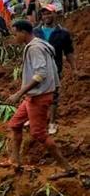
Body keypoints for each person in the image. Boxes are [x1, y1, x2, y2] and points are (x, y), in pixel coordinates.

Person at [6, 20, 77, 179]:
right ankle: (14, 160)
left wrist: (19, 93)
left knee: (39, 134)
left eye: (15, 33)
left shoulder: (35, 48)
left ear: (24, 32)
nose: (14, 37)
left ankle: (67, 168)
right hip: (34, 96)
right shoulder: (38, 44)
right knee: (15, 124)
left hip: (39, 96)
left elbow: (40, 74)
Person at [33, 4, 78, 135]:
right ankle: (37, 119)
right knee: (36, 94)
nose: (46, 16)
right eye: (44, 14)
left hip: (55, 69)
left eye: (49, 13)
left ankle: (52, 122)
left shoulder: (63, 33)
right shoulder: (36, 32)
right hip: (38, 68)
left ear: (55, 14)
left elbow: (68, 52)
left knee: (53, 95)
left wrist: (74, 68)